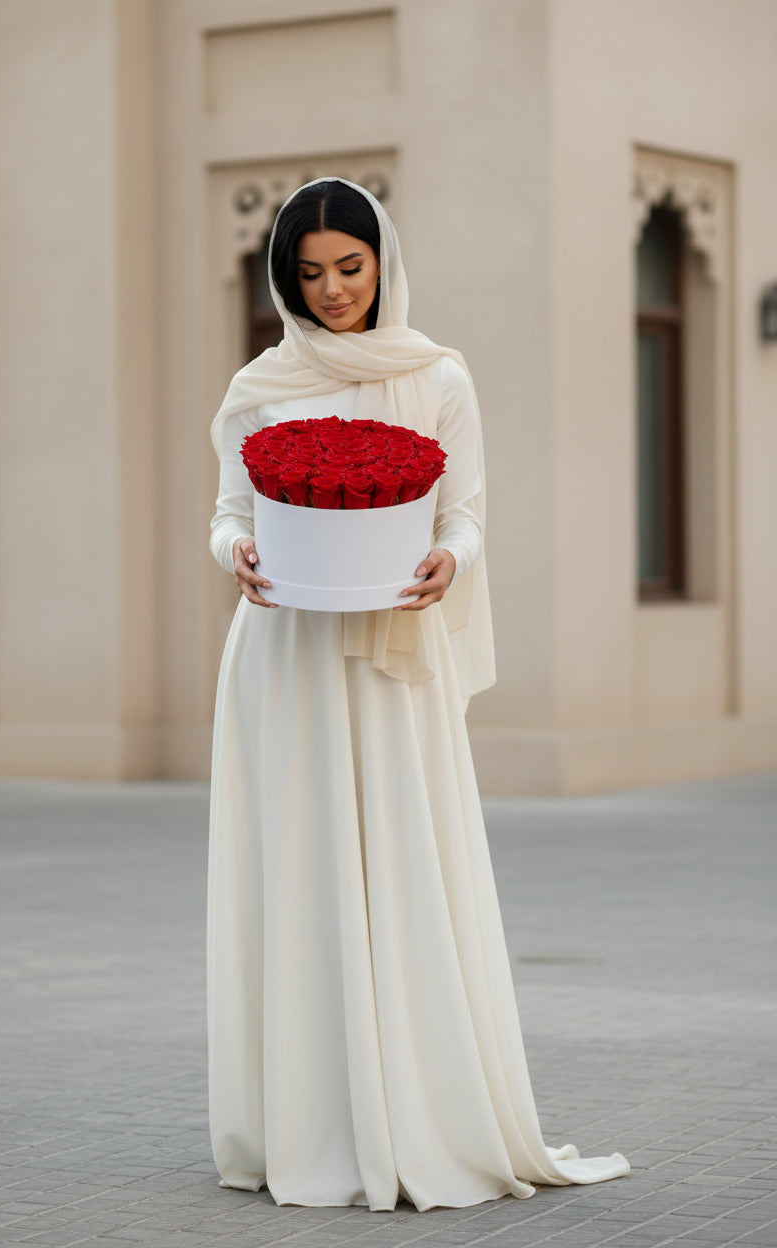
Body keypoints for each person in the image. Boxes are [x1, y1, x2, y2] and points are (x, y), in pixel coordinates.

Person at [207, 177, 629, 1211]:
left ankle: (416, 1111)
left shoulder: (437, 374)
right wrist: (237, 550)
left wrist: (453, 559)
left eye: (349, 266)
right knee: (297, 866)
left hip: (394, 652)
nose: (333, 289)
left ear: (382, 260)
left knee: (400, 857)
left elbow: (467, 513)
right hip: (286, 653)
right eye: (309, 274)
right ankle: (309, 1123)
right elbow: (223, 510)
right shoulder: (259, 382)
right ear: (283, 279)